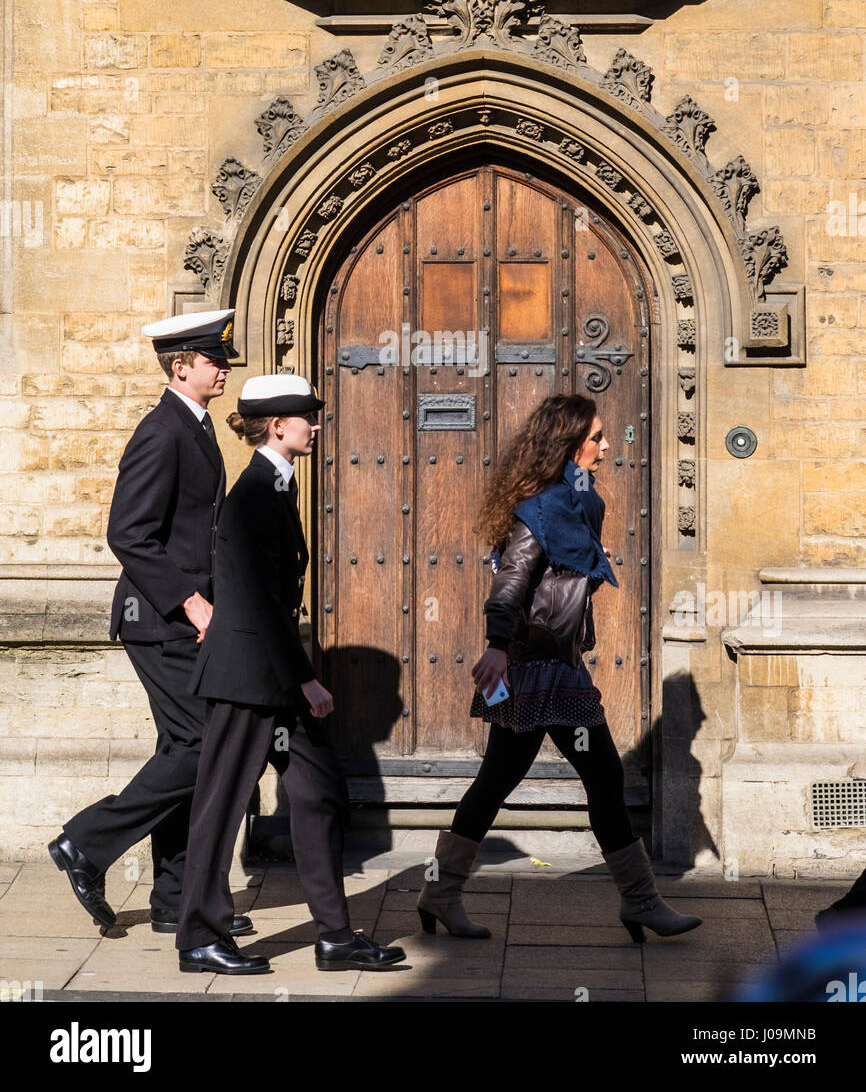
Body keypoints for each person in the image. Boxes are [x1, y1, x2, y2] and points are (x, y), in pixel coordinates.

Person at [417, 393, 702, 944]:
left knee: (498, 780)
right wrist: (497, 646)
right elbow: (510, 585)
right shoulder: (543, 510)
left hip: (555, 666)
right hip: (534, 670)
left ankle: (440, 891)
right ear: (569, 444)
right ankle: (640, 901)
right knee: (602, 776)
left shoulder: (577, 504)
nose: (605, 447)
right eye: (595, 437)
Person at [175, 373, 405, 975]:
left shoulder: (276, 485)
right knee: (222, 804)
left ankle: (334, 936)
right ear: (279, 426)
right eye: (309, 417)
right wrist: (305, 677)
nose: (317, 425)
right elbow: (255, 599)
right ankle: (199, 935)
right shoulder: (253, 494)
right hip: (246, 677)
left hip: (270, 674)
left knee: (317, 791)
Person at [49, 309, 252, 939]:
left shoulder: (194, 428)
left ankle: (174, 897)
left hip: (176, 620)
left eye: (223, 359)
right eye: (213, 360)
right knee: (200, 744)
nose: (224, 368)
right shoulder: (162, 431)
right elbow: (128, 533)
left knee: (180, 748)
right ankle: (85, 842)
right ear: (180, 366)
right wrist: (193, 603)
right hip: (158, 620)